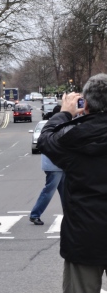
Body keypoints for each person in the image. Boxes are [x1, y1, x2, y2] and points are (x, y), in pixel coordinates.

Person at [37, 73, 107, 293]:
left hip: (84, 236)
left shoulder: (72, 137)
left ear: (84, 103)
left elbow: (46, 139)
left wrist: (65, 113)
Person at [29, 105, 65, 225]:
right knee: (49, 190)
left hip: (58, 164)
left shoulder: (50, 124)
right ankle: (35, 214)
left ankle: (70, 215)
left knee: (65, 190)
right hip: (54, 165)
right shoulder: (57, 126)